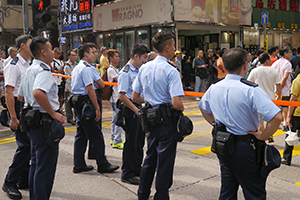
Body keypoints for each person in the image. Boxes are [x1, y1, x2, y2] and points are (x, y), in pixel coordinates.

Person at [199, 48, 282, 200]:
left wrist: (216, 125)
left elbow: (203, 108)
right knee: (254, 192)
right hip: (245, 146)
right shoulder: (250, 89)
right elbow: (277, 117)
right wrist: (264, 136)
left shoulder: (215, 87)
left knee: (227, 191)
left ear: (224, 66)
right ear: (245, 65)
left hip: (222, 144)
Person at [132, 30, 185, 200]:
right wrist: (180, 110)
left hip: (150, 118)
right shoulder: (171, 70)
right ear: (168, 47)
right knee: (165, 162)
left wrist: (150, 104)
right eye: (174, 46)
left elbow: (134, 97)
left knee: (150, 158)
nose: (175, 50)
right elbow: (176, 103)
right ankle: (161, 196)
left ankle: (142, 194)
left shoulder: (144, 67)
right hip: (166, 121)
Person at [18, 36, 65, 200]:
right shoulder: (43, 71)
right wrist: (53, 113)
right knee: (45, 167)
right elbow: (38, 92)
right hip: (44, 122)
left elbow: (20, 96)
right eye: (51, 49)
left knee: (36, 164)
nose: (54, 52)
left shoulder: (29, 70)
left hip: (32, 121)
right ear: (43, 51)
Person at [71, 44, 119, 174]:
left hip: (78, 103)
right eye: (92, 52)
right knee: (96, 134)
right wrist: (97, 108)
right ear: (85, 54)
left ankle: (79, 163)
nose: (95, 55)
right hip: (87, 102)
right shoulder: (86, 69)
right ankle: (102, 164)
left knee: (81, 134)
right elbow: (91, 88)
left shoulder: (78, 68)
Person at [2, 35, 32, 200]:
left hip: (26, 105)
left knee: (28, 144)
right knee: (25, 146)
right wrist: (13, 117)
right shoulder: (13, 65)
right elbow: (8, 92)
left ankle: (22, 179)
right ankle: (10, 182)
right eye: (31, 44)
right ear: (22, 46)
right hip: (17, 107)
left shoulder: (27, 63)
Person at [118, 44, 149, 185]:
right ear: (136, 56)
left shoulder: (138, 70)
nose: (145, 60)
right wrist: (136, 110)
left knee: (139, 141)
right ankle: (127, 173)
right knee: (131, 142)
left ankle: (137, 168)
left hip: (138, 108)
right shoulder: (125, 72)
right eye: (144, 57)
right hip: (131, 110)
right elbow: (122, 96)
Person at [247, 52, 281, 142]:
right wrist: (280, 96)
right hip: (271, 98)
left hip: (258, 98)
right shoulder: (274, 71)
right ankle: (269, 135)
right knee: (270, 119)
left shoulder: (255, 71)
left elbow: (248, 83)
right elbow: (278, 86)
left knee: (259, 120)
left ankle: (262, 137)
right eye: (269, 59)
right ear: (266, 60)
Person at [272, 46, 292, 131]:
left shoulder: (276, 63)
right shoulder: (287, 63)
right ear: (285, 53)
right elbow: (285, 77)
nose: (291, 54)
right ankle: (285, 124)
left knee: (276, 107)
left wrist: (277, 88)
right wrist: (281, 87)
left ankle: (276, 124)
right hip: (285, 89)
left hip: (275, 89)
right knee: (285, 107)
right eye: (290, 52)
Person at [282, 72, 300, 165]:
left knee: (291, 134)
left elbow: (293, 99)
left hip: (297, 113)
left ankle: (286, 157)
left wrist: (288, 117)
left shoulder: (297, 81)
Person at [107, 49, 124, 149]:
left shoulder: (116, 69)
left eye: (118, 56)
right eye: (116, 56)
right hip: (115, 98)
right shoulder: (111, 70)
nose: (118, 58)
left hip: (116, 98)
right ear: (111, 58)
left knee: (114, 119)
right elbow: (119, 80)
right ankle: (117, 140)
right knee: (118, 119)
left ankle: (113, 138)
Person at [64, 49, 78, 125]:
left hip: (76, 87)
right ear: (69, 57)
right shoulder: (67, 66)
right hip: (69, 87)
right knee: (68, 104)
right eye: (73, 55)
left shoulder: (77, 65)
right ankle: (69, 118)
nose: (74, 57)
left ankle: (76, 117)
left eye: (75, 55)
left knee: (76, 102)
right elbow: (71, 76)